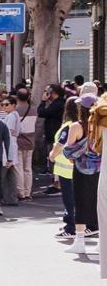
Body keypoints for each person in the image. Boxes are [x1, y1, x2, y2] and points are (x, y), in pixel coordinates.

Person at [58, 94, 100, 255]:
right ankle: (101, 242)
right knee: (99, 203)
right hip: (100, 168)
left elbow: (68, 151)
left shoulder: (77, 126)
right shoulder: (101, 126)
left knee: (80, 202)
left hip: (81, 168)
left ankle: (80, 240)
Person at [50, 97, 79, 242]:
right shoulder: (83, 124)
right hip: (78, 168)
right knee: (78, 198)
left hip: (66, 169)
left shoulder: (69, 126)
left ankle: (70, 227)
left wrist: (52, 155)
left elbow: (59, 144)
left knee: (69, 199)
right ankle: (84, 225)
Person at [37, 84, 66, 194]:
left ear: (53, 93)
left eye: (47, 91)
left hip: (54, 135)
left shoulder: (57, 104)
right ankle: (56, 182)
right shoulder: (59, 103)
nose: (45, 94)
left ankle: (57, 184)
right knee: (53, 160)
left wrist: (43, 101)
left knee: (54, 159)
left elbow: (42, 113)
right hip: (53, 134)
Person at [0, 96, 21, 205]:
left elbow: (8, 132)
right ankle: (11, 198)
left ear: (14, 105)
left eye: (7, 104)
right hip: (12, 145)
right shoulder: (15, 115)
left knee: (2, 174)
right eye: (3, 104)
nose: (4, 106)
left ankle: (1, 198)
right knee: (11, 174)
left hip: (7, 147)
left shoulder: (11, 116)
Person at [14, 87, 36, 200]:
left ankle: (20, 192)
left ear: (17, 97)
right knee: (28, 168)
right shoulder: (34, 109)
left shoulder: (15, 111)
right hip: (30, 141)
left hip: (18, 141)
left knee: (19, 168)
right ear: (28, 97)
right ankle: (28, 192)